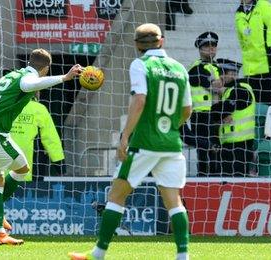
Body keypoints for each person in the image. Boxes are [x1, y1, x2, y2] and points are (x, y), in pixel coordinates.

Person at [68, 23, 192, 260]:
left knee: (116, 195)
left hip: (144, 143)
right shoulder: (179, 68)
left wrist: (125, 136)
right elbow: (187, 110)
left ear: (136, 45)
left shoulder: (140, 64)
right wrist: (170, 129)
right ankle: (183, 256)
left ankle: (98, 254)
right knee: (174, 201)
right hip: (171, 145)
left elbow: (140, 100)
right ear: (162, 41)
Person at [0, 48, 82, 245]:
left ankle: (0, 232)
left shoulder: (12, 75)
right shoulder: (27, 77)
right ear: (45, 69)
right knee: (22, 169)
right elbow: (29, 85)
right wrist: (65, 78)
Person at [183, 31, 222, 175]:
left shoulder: (218, 66)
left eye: (214, 45)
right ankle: (205, 178)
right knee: (205, 151)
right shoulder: (196, 68)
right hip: (202, 115)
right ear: (200, 49)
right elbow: (216, 87)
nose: (211, 48)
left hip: (216, 114)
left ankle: (216, 177)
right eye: (207, 46)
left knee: (217, 150)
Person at [209, 58, 256, 176]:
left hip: (240, 145)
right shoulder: (229, 91)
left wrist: (215, 95)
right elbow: (217, 114)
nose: (220, 78)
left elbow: (217, 113)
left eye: (222, 74)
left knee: (236, 183)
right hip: (229, 144)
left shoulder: (241, 89)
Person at [9, 91, 65, 181]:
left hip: (3, 166)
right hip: (32, 168)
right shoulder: (38, 108)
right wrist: (59, 164)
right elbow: (51, 138)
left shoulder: (3, 107)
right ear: (36, 92)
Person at [235, 0, 271, 105]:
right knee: (255, 105)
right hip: (251, 69)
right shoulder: (238, 14)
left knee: (270, 104)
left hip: (268, 66)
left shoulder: (265, 7)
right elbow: (242, 41)